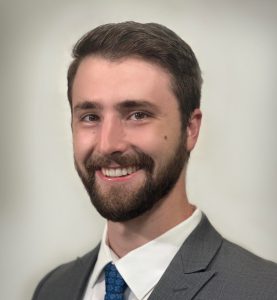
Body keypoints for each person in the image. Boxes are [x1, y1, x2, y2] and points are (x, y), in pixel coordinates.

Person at [32, 21, 277, 300]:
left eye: (138, 114)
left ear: (190, 129)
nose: (108, 143)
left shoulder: (264, 290)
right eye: (90, 117)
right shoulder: (53, 289)